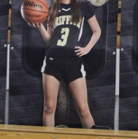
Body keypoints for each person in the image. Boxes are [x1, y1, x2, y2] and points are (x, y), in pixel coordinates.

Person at [30, 0, 100, 128]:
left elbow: (97, 31)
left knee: (83, 109)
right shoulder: (51, 9)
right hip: (52, 60)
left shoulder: (83, 6)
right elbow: (49, 39)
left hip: (73, 60)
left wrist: (87, 48)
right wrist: (40, 26)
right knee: (49, 107)